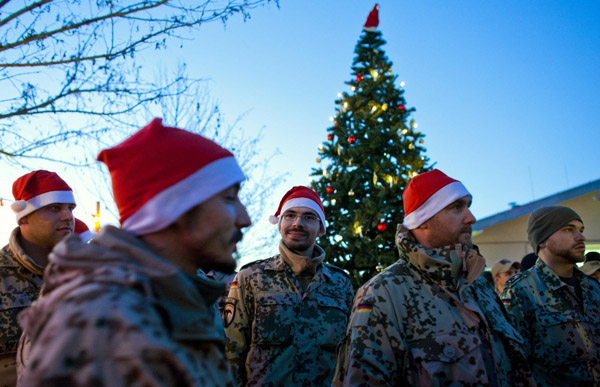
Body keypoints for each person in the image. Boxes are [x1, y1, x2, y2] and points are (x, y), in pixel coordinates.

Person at [17, 118, 251, 386]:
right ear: (174, 210)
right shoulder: (103, 320)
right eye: (229, 199)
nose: (245, 218)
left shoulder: (165, 302)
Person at [334, 169, 532, 386]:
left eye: (468, 206)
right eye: (457, 207)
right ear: (423, 220)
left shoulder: (478, 285)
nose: (471, 217)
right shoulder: (384, 293)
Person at [225, 186, 353, 386]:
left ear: (321, 229)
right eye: (290, 215)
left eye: (309, 217)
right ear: (280, 224)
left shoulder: (340, 283)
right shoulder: (250, 278)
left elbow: (349, 355)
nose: (297, 223)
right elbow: (230, 354)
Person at [501, 206, 600, 385]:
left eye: (581, 230)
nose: (581, 237)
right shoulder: (520, 290)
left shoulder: (593, 288)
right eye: (569, 229)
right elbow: (515, 365)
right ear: (543, 240)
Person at [0, 170, 76, 386]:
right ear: (24, 215)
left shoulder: (84, 274)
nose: (68, 216)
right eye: (55, 208)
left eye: (70, 208)